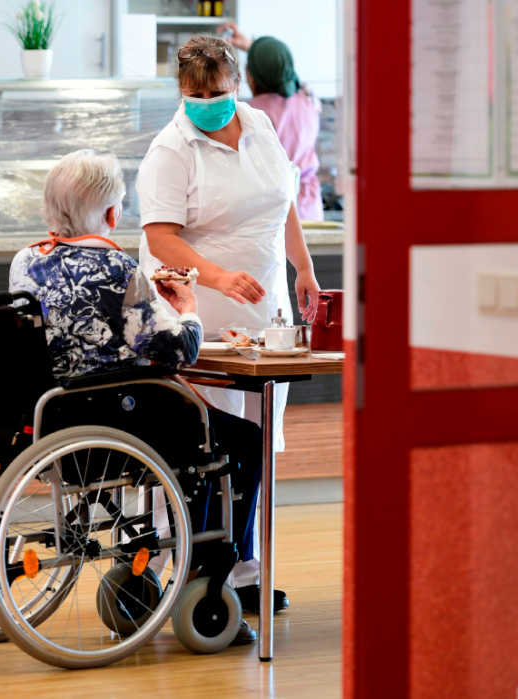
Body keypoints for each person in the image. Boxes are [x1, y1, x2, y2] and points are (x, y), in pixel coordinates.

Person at [9, 149, 261, 644]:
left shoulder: (24, 261)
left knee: (205, 429)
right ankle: (204, 576)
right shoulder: (115, 266)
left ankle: (157, 567)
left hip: (54, 421)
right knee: (240, 440)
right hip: (119, 420)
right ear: (109, 213)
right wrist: (185, 307)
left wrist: (145, 300)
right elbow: (176, 350)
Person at [135, 34, 318, 612]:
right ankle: (174, 566)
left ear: (235, 86)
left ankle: (245, 572)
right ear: (181, 90)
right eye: (195, 92)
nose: (207, 101)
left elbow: (282, 198)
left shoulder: (259, 125)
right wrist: (216, 278)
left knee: (257, 441)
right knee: (204, 444)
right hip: (200, 313)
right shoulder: (172, 150)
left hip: (264, 310)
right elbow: (160, 239)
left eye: (217, 91)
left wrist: (304, 268)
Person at [218, 24, 324, 221]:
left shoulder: (248, 113)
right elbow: (287, 72)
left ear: (249, 76)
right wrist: (254, 48)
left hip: (273, 214)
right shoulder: (309, 102)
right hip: (310, 210)